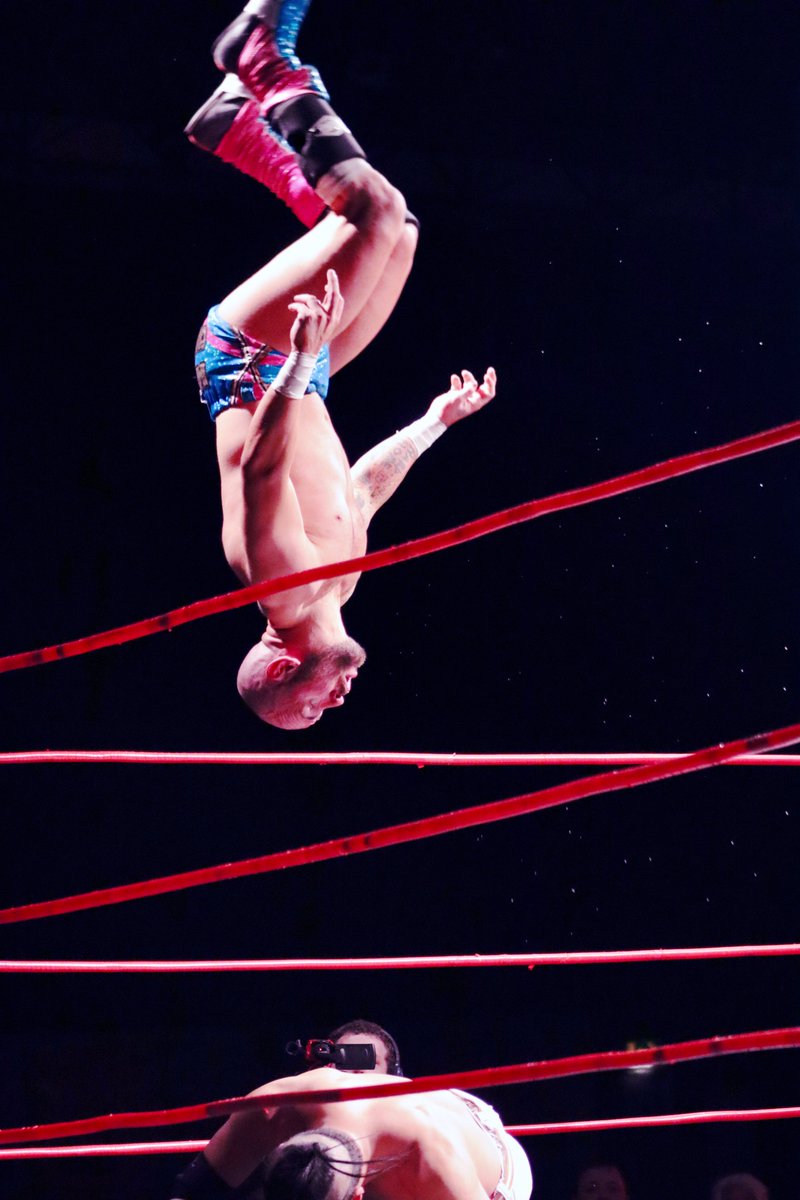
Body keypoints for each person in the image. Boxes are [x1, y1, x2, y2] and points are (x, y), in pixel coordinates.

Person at [188, 0, 497, 729]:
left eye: (310, 707)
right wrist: (431, 426)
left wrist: (294, 364)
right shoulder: (335, 591)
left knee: (372, 212)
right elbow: (357, 494)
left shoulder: (281, 589)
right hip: (300, 373)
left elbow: (260, 469)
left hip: (252, 361)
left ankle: (264, 56)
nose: (337, 701)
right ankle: (237, 133)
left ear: (280, 668)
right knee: (402, 237)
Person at [171, 1063, 533, 1200]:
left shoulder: (431, 1165)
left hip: (489, 1157)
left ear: (358, 1195)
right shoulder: (272, 1108)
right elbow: (192, 1191)